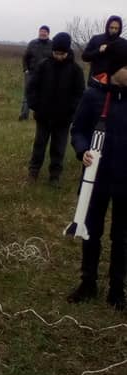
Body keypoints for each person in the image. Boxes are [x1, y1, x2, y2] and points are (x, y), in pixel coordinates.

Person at [67, 38, 127, 309]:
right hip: (96, 180)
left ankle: (117, 290)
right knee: (92, 231)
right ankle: (88, 282)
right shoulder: (93, 96)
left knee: (122, 237)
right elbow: (78, 130)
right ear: (116, 68)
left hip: (124, 181)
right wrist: (83, 151)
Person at [26, 31, 85, 186]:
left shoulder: (75, 70)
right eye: (56, 53)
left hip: (63, 118)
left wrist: (71, 109)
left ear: (67, 52)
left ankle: (55, 176)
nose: (59, 56)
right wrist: (35, 105)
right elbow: (32, 87)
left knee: (58, 147)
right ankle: (33, 171)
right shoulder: (43, 66)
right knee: (39, 144)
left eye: (62, 54)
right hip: (43, 115)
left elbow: (79, 94)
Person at [19, 25, 52, 120]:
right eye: (41, 31)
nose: (42, 33)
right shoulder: (32, 44)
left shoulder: (52, 45)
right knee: (27, 94)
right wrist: (25, 69)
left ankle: (40, 115)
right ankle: (24, 115)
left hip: (46, 74)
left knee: (43, 95)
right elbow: (25, 57)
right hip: (31, 73)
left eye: (44, 31)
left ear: (48, 33)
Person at [81, 15, 123, 80]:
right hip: (96, 82)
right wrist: (98, 51)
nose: (113, 30)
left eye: (116, 28)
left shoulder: (123, 43)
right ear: (107, 27)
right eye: (111, 27)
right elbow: (85, 57)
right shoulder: (96, 39)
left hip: (115, 84)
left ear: (119, 29)